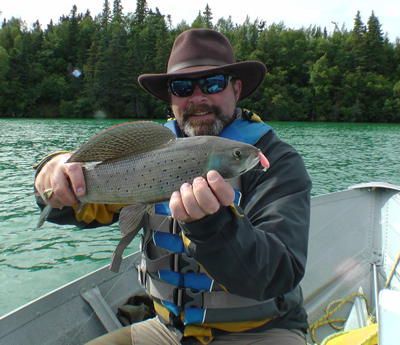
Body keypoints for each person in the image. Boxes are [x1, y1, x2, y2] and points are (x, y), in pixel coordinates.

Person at [34, 29, 312, 344]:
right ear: (170, 98)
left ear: (237, 88)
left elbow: (279, 273)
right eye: (182, 87)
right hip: (167, 329)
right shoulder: (147, 153)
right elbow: (71, 206)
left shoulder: (274, 161)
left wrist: (212, 225)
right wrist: (52, 174)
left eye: (212, 83)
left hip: (260, 331)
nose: (197, 97)